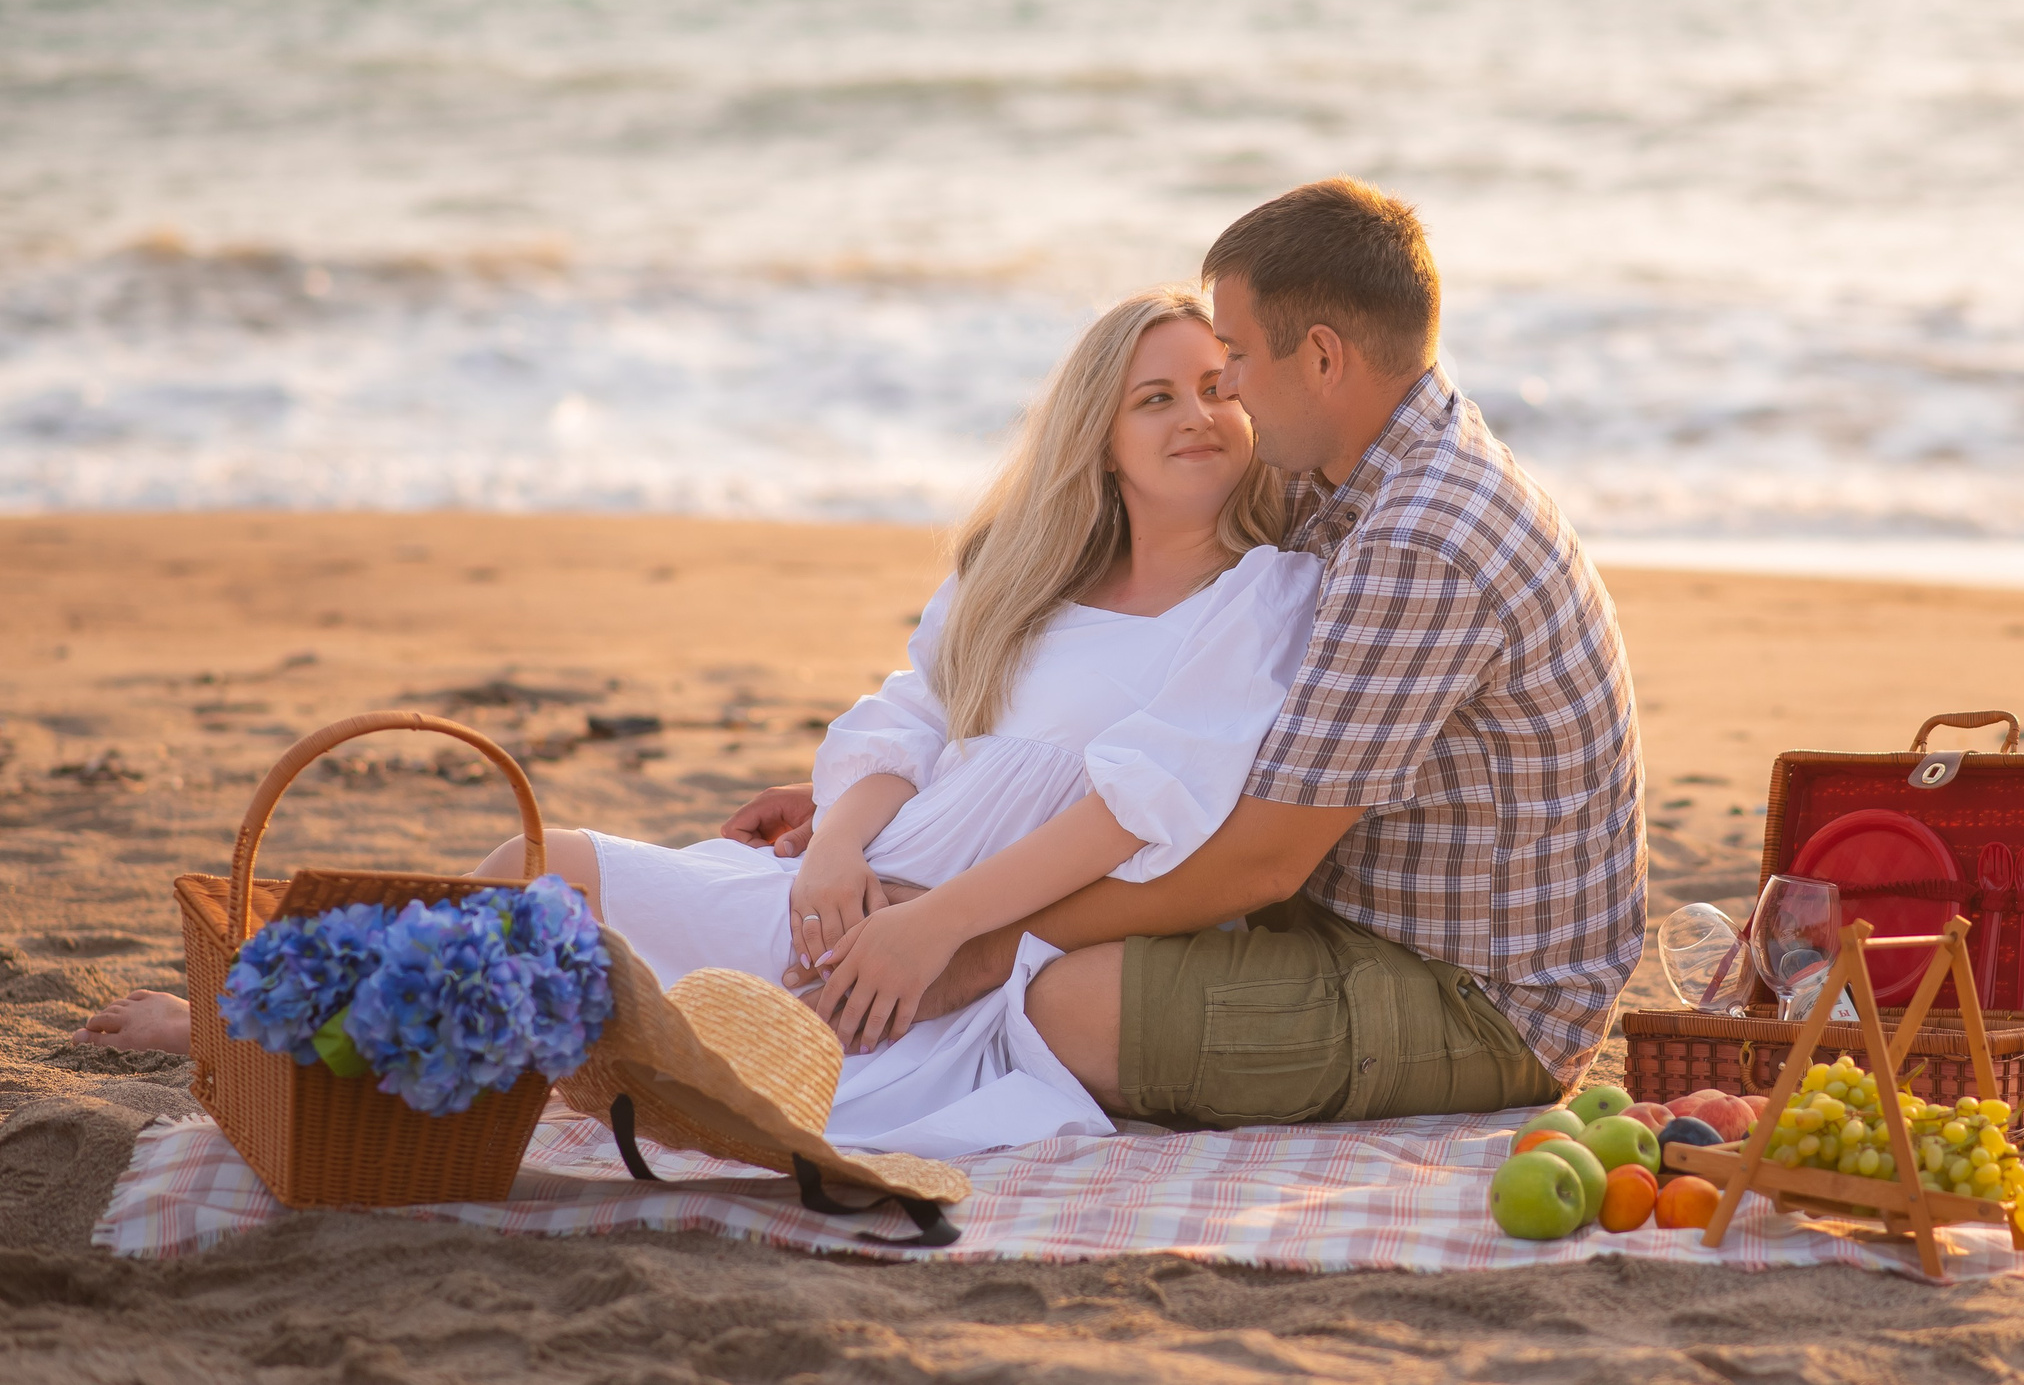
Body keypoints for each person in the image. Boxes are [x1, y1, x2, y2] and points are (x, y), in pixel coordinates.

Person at [77, 285, 1325, 1159]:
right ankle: (255, 1024)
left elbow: (1137, 806)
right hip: (860, 883)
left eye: (1219, 386)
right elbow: (909, 723)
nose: (1195, 415)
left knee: (683, 1051)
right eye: (1155, 395)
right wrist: (837, 849)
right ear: (1101, 437)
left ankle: (289, 1041)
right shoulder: (1027, 572)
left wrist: (933, 927)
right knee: (539, 870)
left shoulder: (1262, 592)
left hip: (983, 942)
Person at [744, 177, 1647, 1126]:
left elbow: (1256, 865)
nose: (1232, 395)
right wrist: (903, 800)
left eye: (1240, 361)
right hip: (1336, 925)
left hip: (1476, 997)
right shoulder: (1343, 480)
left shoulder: (1418, 539)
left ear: (1325, 358)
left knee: (1059, 1004)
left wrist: (971, 945)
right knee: (1029, 965)